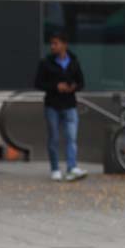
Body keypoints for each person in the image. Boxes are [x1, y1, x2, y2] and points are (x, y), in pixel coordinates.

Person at [34, 31, 88, 182]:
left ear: (64, 45)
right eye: (51, 43)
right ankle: (55, 168)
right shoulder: (46, 62)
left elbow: (81, 82)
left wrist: (73, 87)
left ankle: (72, 167)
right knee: (54, 138)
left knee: (71, 137)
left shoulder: (74, 62)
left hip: (69, 104)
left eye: (56, 43)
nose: (53, 46)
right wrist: (55, 87)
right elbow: (38, 83)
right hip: (53, 105)